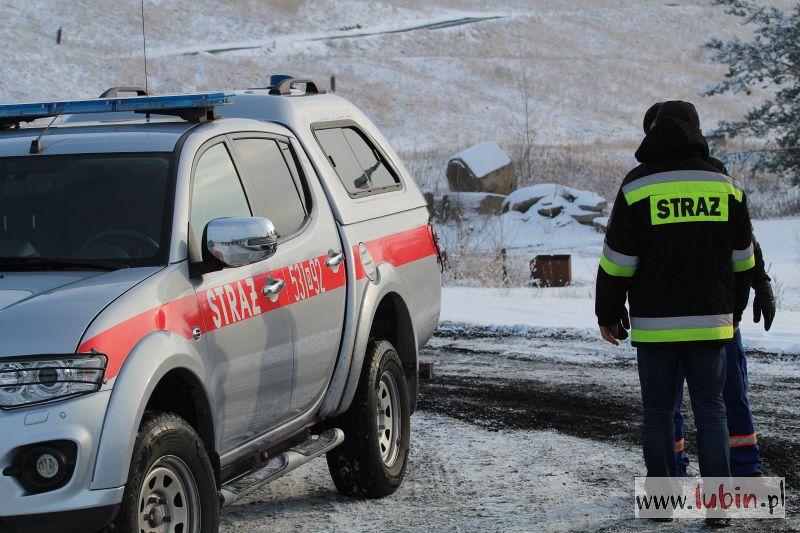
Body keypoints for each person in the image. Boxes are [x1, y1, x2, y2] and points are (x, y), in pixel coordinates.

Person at [596, 101, 756, 527]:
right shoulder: (724, 184)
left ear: (653, 134)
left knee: (659, 414)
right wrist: (733, 311)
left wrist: (608, 313)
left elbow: (617, 262)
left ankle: (662, 505)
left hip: (655, 328)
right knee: (712, 410)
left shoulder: (636, 186)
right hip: (710, 324)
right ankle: (720, 508)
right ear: (696, 131)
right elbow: (743, 261)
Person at [642, 103, 776, 478]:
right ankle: (673, 480)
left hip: (716, 315)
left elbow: (742, 239)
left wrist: (760, 282)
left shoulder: (716, 176)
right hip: (698, 313)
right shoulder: (644, 181)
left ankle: (744, 477)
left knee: (728, 398)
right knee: (671, 408)